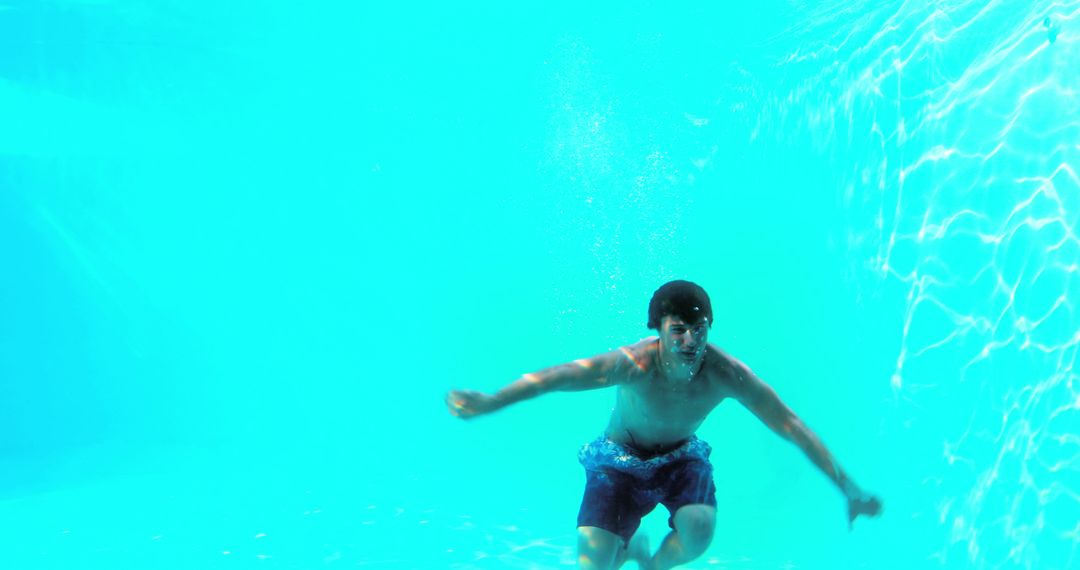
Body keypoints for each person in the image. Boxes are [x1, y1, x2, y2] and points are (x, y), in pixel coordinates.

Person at [446, 280, 882, 569]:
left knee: (699, 528)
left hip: (679, 459)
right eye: (678, 330)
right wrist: (491, 402)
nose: (690, 342)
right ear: (658, 329)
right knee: (594, 564)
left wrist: (848, 487)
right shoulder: (634, 364)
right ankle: (630, 547)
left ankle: (652, 564)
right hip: (618, 463)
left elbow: (790, 425)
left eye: (699, 329)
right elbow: (556, 378)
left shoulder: (726, 374)